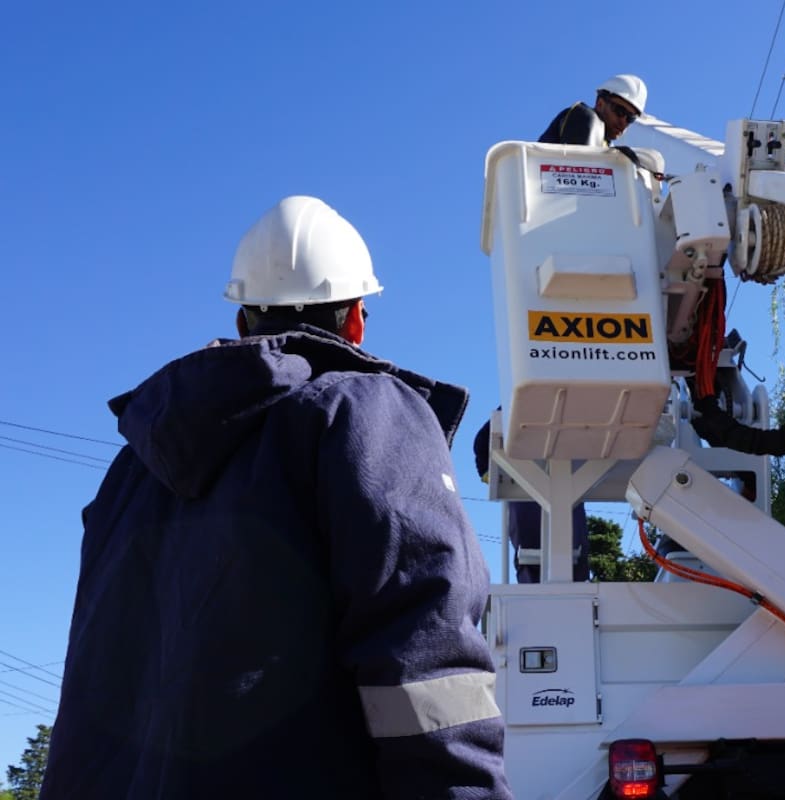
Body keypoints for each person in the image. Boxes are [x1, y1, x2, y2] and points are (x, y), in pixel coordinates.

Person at [41, 196, 513, 800]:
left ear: (242, 327)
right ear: (356, 321)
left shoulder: (129, 471)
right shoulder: (365, 413)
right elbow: (428, 667)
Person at [473, 415, 589, 583]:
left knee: (564, 556)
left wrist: (489, 473)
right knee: (536, 554)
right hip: (537, 490)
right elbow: (483, 441)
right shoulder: (517, 402)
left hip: (535, 488)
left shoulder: (517, 400)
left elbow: (482, 441)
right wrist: (488, 472)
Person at [539, 73, 648, 147]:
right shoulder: (583, 118)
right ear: (600, 104)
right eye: (620, 111)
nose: (623, 122)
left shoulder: (606, 146)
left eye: (630, 118)